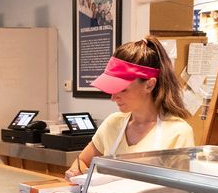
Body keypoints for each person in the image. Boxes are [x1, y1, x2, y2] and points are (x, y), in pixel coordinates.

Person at [65, 36, 194, 179]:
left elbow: (181, 191)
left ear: (149, 85)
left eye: (123, 90)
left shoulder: (178, 132)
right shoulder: (112, 123)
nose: (113, 97)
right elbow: (81, 161)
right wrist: (76, 173)